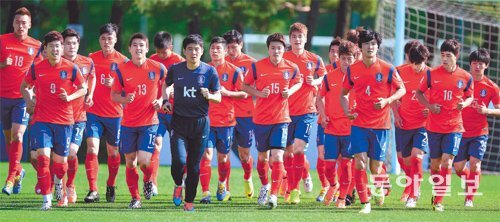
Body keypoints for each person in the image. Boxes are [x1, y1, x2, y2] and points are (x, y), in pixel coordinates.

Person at [340, 29, 406, 214]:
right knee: (359, 163)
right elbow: (343, 95)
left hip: (380, 126)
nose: (370, 47)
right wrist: (347, 112)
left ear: (377, 47)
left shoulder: (387, 68)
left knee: (375, 167)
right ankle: (365, 203)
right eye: (367, 43)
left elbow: (402, 90)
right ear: (360, 47)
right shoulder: (353, 70)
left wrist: (387, 101)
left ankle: (380, 186)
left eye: (373, 44)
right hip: (359, 124)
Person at [20, 31, 87, 210]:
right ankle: (46, 200)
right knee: (42, 158)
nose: (56, 50)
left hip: (65, 122)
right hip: (41, 120)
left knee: (61, 165)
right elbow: (24, 87)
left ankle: (59, 183)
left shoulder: (71, 68)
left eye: (58, 46)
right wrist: (29, 101)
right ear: (45, 49)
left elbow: (84, 88)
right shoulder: (37, 68)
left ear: (62, 47)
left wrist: (70, 97)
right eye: (52, 47)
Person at [242, 33, 302, 209]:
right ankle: (265, 185)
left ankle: (274, 195)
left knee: (277, 156)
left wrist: (290, 91)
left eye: (279, 48)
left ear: (284, 50)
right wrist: (259, 93)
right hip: (260, 119)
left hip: (281, 119)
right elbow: (244, 86)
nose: (276, 51)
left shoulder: (291, 67)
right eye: (273, 47)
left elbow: (298, 83)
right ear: (268, 49)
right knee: (262, 159)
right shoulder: (257, 67)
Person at [163, 34, 221, 211]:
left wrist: (209, 96)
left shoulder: (209, 71)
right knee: (179, 162)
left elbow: (218, 96)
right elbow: (166, 84)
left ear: (202, 51)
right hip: (179, 122)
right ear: (184, 51)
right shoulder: (176, 69)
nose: (193, 52)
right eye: (190, 49)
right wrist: (166, 100)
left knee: (194, 166)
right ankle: (178, 184)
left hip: (200, 124)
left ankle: (189, 203)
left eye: (197, 49)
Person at [416, 39, 474, 212]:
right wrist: (429, 106)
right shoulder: (431, 74)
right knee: (435, 165)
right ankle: (437, 192)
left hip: (454, 127)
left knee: (447, 163)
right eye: (442, 55)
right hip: (434, 127)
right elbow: (419, 93)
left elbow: (470, 96)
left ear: (456, 56)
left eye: (448, 55)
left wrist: (465, 104)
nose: (445, 59)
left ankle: (439, 201)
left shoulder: (465, 77)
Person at [111, 33, 166, 209]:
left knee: (143, 161)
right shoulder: (121, 69)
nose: (138, 48)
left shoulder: (158, 68)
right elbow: (114, 95)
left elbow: (170, 85)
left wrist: (162, 99)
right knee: (130, 161)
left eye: (141, 45)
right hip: (128, 123)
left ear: (147, 48)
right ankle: (135, 198)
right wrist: (124, 100)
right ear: (129, 49)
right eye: (134, 45)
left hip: (149, 122)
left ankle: (149, 180)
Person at [282, 22, 327, 204]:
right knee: (287, 153)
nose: (297, 39)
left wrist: (315, 81)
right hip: (284, 112)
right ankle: (303, 176)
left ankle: (294, 190)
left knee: (299, 149)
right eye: (294, 36)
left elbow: (325, 77)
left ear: (305, 38)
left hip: (307, 111)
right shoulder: (283, 58)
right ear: (290, 39)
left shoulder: (315, 59)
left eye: (300, 36)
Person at [199, 36, 246, 204]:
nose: (215, 51)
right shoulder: (203, 69)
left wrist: (227, 93)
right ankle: (205, 192)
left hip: (226, 122)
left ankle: (221, 183)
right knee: (206, 155)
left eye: (218, 48)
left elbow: (244, 93)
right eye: (212, 48)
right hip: (206, 121)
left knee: (223, 158)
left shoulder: (234, 71)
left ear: (226, 51)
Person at [1, 7, 42, 195]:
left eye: (24, 23)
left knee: (18, 136)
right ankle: (19, 172)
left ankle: (10, 179)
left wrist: (35, 94)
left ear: (30, 25)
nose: (21, 26)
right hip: (3, 97)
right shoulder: (2, 40)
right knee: (9, 138)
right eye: (18, 22)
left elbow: (42, 72)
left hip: (21, 99)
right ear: (13, 23)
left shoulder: (36, 45)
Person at [85, 23, 128, 203]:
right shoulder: (90, 58)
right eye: (103, 38)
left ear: (115, 39)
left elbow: (130, 90)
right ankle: (93, 189)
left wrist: (116, 87)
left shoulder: (124, 61)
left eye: (110, 38)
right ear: (99, 40)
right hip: (93, 112)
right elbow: (83, 79)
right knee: (92, 148)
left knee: (113, 153)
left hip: (115, 115)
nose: (106, 42)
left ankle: (111, 184)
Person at [453, 48, 499, 208]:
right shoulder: (462, 81)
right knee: (458, 168)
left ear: (486, 65)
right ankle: (472, 179)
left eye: (480, 64)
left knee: (475, 164)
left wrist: (487, 111)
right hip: (459, 130)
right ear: (470, 64)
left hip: (480, 132)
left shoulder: (491, 87)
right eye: (474, 63)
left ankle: (469, 199)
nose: (477, 66)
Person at [316, 40, 358, 208]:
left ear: (354, 59)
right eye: (343, 58)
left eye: (349, 58)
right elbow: (319, 97)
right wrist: (324, 115)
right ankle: (333, 185)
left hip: (350, 129)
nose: (346, 62)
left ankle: (342, 198)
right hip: (332, 128)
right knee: (329, 166)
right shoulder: (330, 77)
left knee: (347, 164)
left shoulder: (359, 77)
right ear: (338, 59)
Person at [60, 28, 96, 205]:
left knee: (72, 153)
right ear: (62, 45)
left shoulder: (87, 62)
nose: (72, 46)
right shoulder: (55, 62)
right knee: (58, 157)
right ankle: (57, 184)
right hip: (57, 118)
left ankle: (70, 186)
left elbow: (92, 77)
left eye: (75, 43)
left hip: (79, 117)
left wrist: (90, 94)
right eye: (68, 43)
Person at [392, 44, 430, 207]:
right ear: (409, 59)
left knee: (416, 157)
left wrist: (431, 108)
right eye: (413, 63)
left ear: (425, 60)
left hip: (422, 124)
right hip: (403, 122)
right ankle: (411, 184)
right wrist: (396, 114)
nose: (416, 67)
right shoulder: (399, 71)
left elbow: (439, 97)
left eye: (419, 63)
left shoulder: (431, 74)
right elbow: (392, 95)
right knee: (404, 160)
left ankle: (414, 193)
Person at [150, 31, 185, 196]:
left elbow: (187, 87)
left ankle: (179, 183)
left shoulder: (180, 62)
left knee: (177, 151)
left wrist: (174, 94)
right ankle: (152, 182)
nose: (161, 55)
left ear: (171, 47)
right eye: (158, 51)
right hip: (157, 111)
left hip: (176, 112)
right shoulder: (151, 60)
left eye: (164, 52)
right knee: (156, 145)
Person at [222, 29, 257, 199]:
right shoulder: (219, 62)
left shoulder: (252, 64)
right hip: (224, 114)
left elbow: (256, 90)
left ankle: (247, 176)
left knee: (244, 154)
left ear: (241, 45)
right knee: (224, 152)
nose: (231, 50)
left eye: (234, 47)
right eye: (228, 47)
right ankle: (225, 188)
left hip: (246, 114)